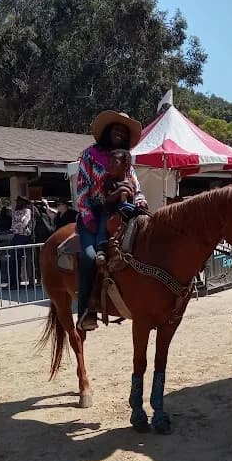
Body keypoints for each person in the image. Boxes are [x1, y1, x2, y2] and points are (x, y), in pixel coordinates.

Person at [75, 111, 148, 331]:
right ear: (107, 131)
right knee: (89, 257)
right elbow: (81, 192)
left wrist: (141, 201)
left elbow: (137, 188)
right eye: (116, 128)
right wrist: (89, 219)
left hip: (122, 214)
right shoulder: (89, 155)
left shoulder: (125, 159)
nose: (119, 133)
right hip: (94, 216)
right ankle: (86, 310)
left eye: (124, 131)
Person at [9, 195, 34, 287]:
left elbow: (26, 221)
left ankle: (15, 282)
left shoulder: (27, 210)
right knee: (13, 258)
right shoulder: (16, 211)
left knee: (16, 257)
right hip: (17, 234)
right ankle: (14, 281)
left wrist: (19, 225)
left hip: (23, 235)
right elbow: (13, 223)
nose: (17, 203)